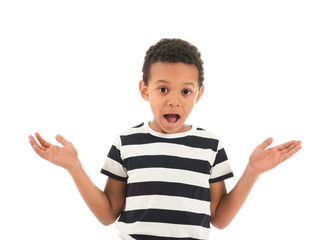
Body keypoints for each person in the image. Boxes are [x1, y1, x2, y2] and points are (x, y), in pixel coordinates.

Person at [29, 38, 302, 240]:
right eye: (163, 89)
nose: (174, 100)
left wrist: (253, 171)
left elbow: (219, 219)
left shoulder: (211, 146)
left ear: (199, 94)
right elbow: (108, 214)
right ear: (145, 90)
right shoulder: (126, 142)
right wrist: (74, 167)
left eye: (186, 91)